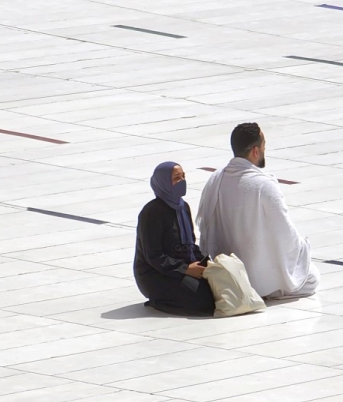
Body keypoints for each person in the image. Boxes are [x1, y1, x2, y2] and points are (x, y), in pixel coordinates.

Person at [197, 123, 320, 299]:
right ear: (255, 151)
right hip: (255, 278)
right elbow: (285, 234)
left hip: (226, 271)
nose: (264, 150)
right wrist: (302, 246)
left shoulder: (215, 178)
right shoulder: (264, 185)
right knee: (311, 277)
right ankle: (267, 288)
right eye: (264, 146)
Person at [134, 161, 215, 315]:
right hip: (156, 274)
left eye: (183, 176)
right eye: (177, 178)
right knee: (202, 301)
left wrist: (204, 263)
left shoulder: (183, 207)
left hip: (182, 269)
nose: (182, 181)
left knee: (215, 292)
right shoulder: (152, 212)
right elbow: (154, 256)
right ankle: (157, 301)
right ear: (163, 182)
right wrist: (185, 269)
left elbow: (190, 243)